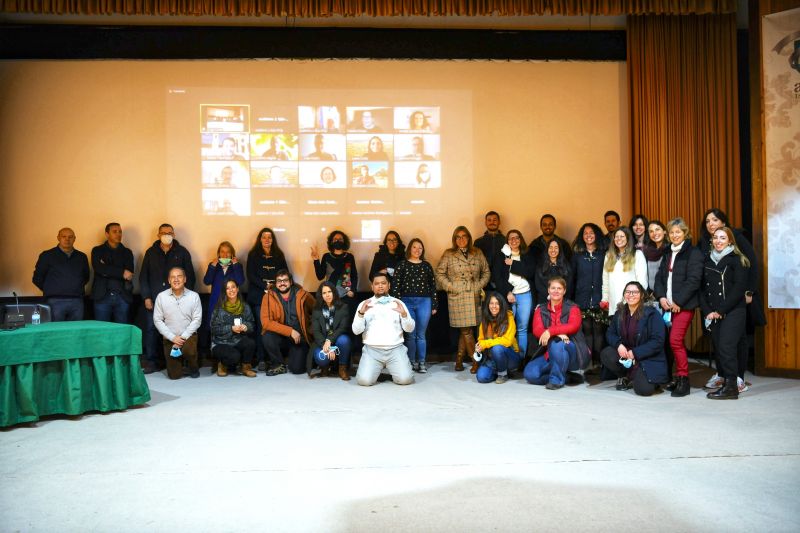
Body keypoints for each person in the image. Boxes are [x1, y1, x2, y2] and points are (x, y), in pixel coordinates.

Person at [698, 208, 765, 392]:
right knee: (720, 341)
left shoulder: (736, 241)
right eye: (708, 221)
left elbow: (751, 263)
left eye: (715, 220)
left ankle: (737, 379)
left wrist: (749, 291)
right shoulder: (705, 241)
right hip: (716, 302)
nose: (711, 224)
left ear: (723, 223)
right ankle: (723, 375)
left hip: (738, 298)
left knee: (736, 339)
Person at [653, 218, 703, 397]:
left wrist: (678, 302)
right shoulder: (667, 252)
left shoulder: (694, 253)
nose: (675, 235)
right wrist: (661, 298)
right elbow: (659, 278)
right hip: (667, 305)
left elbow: (694, 280)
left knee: (675, 340)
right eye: (672, 232)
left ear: (685, 233)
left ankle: (684, 379)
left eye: (678, 232)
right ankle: (676, 376)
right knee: (671, 342)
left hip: (684, 306)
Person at [700, 227, 750, 399]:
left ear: (730, 241)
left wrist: (721, 311)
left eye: (723, 238)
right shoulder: (707, 260)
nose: (718, 241)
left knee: (727, 347)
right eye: (715, 237)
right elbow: (701, 290)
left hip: (734, 310)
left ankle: (731, 387)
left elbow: (738, 289)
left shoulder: (737, 260)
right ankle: (727, 384)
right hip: (713, 313)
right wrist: (708, 311)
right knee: (719, 348)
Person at [140, 223, 195, 374]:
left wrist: (185, 299)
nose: (166, 235)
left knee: (178, 331)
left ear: (174, 235)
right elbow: (143, 276)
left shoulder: (182, 252)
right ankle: (151, 361)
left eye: (169, 232)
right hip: (155, 301)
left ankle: (178, 362)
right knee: (152, 330)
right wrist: (146, 297)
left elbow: (190, 276)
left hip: (177, 301)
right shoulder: (150, 253)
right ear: (158, 235)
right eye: (163, 233)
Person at [435, 226, 491, 373]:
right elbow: (439, 274)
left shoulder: (477, 252)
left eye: (464, 236)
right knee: (466, 331)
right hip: (457, 296)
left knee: (466, 330)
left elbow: (486, 272)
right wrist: (452, 287)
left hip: (474, 295)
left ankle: (459, 359)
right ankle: (476, 361)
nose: (461, 239)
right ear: (454, 239)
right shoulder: (449, 254)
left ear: (469, 238)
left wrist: (478, 286)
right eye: (458, 237)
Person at [600, 281, 669, 395]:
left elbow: (657, 341)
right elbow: (610, 333)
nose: (631, 295)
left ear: (642, 295)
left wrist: (635, 353)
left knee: (644, 390)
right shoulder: (620, 312)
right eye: (628, 292)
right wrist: (618, 345)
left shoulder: (652, 314)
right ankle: (625, 376)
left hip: (646, 357)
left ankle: (645, 379)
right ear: (624, 294)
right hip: (626, 355)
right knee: (607, 353)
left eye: (635, 292)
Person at [524, 277, 590, 389]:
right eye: (553, 288)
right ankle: (567, 377)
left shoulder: (573, 308)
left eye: (559, 288)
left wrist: (551, 331)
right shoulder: (540, 309)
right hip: (550, 354)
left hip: (573, 351)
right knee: (530, 374)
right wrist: (558, 333)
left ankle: (557, 380)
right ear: (548, 290)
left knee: (557, 343)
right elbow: (537, 330)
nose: (556, 291)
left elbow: (573, 326)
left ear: (564, 291)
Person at [352, 273, 415, 386]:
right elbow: (356, 331)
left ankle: (391, 370)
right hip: (372, 351)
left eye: (383, 283)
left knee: (406, 380)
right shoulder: (364, 304)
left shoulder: (398, 303)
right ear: (372, 287)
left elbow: (410, 329)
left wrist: (404, 315)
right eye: (376, 284)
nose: (380, 286)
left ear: (389, 285)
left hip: (395, 349)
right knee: (364, 381)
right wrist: (361, 314)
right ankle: (375, 371)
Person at [246, 227, 289, 370]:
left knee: (276, 326)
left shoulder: (279, 254)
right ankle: (261, 359)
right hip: (258, 296)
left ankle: (274, 358)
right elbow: (251, 275)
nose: (267, 240)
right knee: (261, 326)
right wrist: (266, 285)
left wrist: (275, 287)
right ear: (260, 239)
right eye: (264, 237)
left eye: (269, 237)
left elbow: (285, 273)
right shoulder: (253, 254)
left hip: (277, 296)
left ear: (273, 239)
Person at [393, 238, 438, 373]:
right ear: (409, 249)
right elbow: (395, 285)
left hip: (424, 301)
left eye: (420, 247)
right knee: (410, 334)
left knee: (421, 334)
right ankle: (411, 362)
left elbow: (432, 286)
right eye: (414, 247)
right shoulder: (402, 265)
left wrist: (434, 304)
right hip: (406, 302)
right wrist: (398, 304)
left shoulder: (426, 266)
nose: (417, 250)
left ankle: (422, 362)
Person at [260, 270, 315, 376]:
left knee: (297, 369)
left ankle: (294, 358)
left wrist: (310, 329)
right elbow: (266, 322)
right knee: (267, 336)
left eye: (285, 280)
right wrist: (290, 331)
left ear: (290, 281)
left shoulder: (302, 294)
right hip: (281, 336)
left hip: (299, 337)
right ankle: (278, 364)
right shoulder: (268, 297)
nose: (282, 283)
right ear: (275, 283)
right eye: (279, 281)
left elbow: (317, 311)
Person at [153, 267, 202, 379]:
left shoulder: (194, 296)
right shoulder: (161, 297)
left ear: (185, 279)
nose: (176, 279)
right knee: (174, 376)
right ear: (169, 280)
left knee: (189, 351)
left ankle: (193, 366)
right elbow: (157, 320)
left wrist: (182, 337)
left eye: (179, 276)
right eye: (172, 277)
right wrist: (172, 338)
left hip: (188, 336)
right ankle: (179, 366)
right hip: (170, 337)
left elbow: (197, 320)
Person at [491, 229, 535, 355]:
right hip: (508, 296)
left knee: (522, 329)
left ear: (520, 240)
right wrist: (507, 293)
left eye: (516, 238)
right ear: (507, 241)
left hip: (525, 295)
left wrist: (513, 263)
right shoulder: (501, 256)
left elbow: (530, 273)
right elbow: (498, 278)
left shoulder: (527, 254)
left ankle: (521, 358)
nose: (514, 240)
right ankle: (509, 358)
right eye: (511, 238)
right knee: (507, 328)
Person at [33, 227, 90, 321]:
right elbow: (37, 278)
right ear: (58, 238)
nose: (67, 239)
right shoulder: (47, 255)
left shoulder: (82, 257)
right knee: (56, 332)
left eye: (70, 237)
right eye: (64, 236)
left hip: (77, 301)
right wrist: (50, 288)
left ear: (74, 239)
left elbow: (85, 277)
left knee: (76, 332)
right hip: (54, 301)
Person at [571, 222, 608, 367]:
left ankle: (598, 363)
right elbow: (572, 278)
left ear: (597, 235)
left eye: (591, 233)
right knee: (586, 331)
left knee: (599, 331)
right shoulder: (577, 256)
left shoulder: (603, 254)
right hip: (582, 298)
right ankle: (588, 363)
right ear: (582, 236)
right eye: (585, 233)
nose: (588, 236)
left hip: (600, 298)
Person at [210, 279, 257, 378]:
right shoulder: (219, 308)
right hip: (221, 343)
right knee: (234, 356)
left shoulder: (245, 306)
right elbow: (214, 329)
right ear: (224, 291)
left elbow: (252, 324)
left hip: (238, 340)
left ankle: (246, 367)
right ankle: (222, 364)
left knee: (251, 343)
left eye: (233, 287)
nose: (231, 290)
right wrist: (231, 328)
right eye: (227, 288)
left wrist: (246, 327)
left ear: (238, 288)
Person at [307, 281, 352, 380]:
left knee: (344, 340)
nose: (327, 295)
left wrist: (329, 341)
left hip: (337, 340)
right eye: (324, 293)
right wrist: (325, 345)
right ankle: (325, 366)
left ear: (334, 292)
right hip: (322, 342)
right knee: (321, 358)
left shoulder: (343, 307)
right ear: (321, 295)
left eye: (329, 292)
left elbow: (343, 328)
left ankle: (342, 368)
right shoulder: (316, 309)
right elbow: (316, 331)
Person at [91, 222, 134, 323]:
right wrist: (122, 271)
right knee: (102, 330)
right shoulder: (97, 250)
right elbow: (99, 269)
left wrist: (107, 268)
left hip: (122, 296)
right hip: (102, 296)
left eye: (120, 232)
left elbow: (129, 274)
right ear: (107, 234)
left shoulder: (127, 252)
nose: (118, 234)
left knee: (121, 330)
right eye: (114, 232)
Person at [474, 292, 521, 384]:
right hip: (491, 358)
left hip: (510, 357)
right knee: (481, 378)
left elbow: (507, 341)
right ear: (488, 305)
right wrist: (479, 346)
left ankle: (503, 374)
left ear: (501, 305)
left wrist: (486, 344)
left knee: (497, 348)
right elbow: (481, 339)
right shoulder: (485, 320)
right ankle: (499, 371)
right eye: (491, 303)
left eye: (497, 303)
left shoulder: (509, 317)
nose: (494, 306)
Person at [601, 227, 648, 317]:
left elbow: (642, 281)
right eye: (616, 236)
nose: (619, 239)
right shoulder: (609, 256)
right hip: (614, 301)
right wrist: (605, 299)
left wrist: (637, 299)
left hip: (632, 302)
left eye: (622, 236)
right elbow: (606, 280)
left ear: (628, 238)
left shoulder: (637, 254)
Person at [311, 230, 358, 309]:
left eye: (340, 239)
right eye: (335, 239)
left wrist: (353, 290)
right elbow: (320, 276)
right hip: (330, 295)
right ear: (331, 242)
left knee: (346, 320)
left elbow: (354, 276)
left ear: (344, 241)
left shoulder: (349, 257)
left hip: (346, 296)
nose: (338, 241)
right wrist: (316, 260)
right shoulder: (326, 256)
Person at [203, 241, 245, 328]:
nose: (225, 255)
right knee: (214, 327)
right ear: (218, 253)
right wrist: (212, 267)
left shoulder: (237, 265)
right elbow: (207, 281)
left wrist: (236, 265)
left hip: (232, 302)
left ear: (232, 254)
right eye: (222, 251)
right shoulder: (213, 265)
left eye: (228, 252)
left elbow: (240, 281)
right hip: (215, 302)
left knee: (231, 327)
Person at [534, 239, 573, 305]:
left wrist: (558, 296)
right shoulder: (541, 265)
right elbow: (538, 284)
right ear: (547, 249)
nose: (553, 250)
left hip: (562, 300)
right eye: (550, 247)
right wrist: (550, 296)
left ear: (560, 250)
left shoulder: (566, 265)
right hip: (544, 300)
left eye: (556, 248)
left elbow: (568, 284)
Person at [474, 211, 505, 289]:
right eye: (489, 220)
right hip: (484, 283)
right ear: (485, 222)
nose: (492, 222)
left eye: (495, 220)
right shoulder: (478, 242)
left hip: (503, 281)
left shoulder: (506, 241)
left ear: (499, 222)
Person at [643, 220, 668, 291]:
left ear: (664, 231)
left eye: (657, 229)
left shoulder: (669, 250)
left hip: (666, 294)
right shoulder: (647, 251)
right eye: (651, 231)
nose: (654, 233)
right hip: (651, 293)